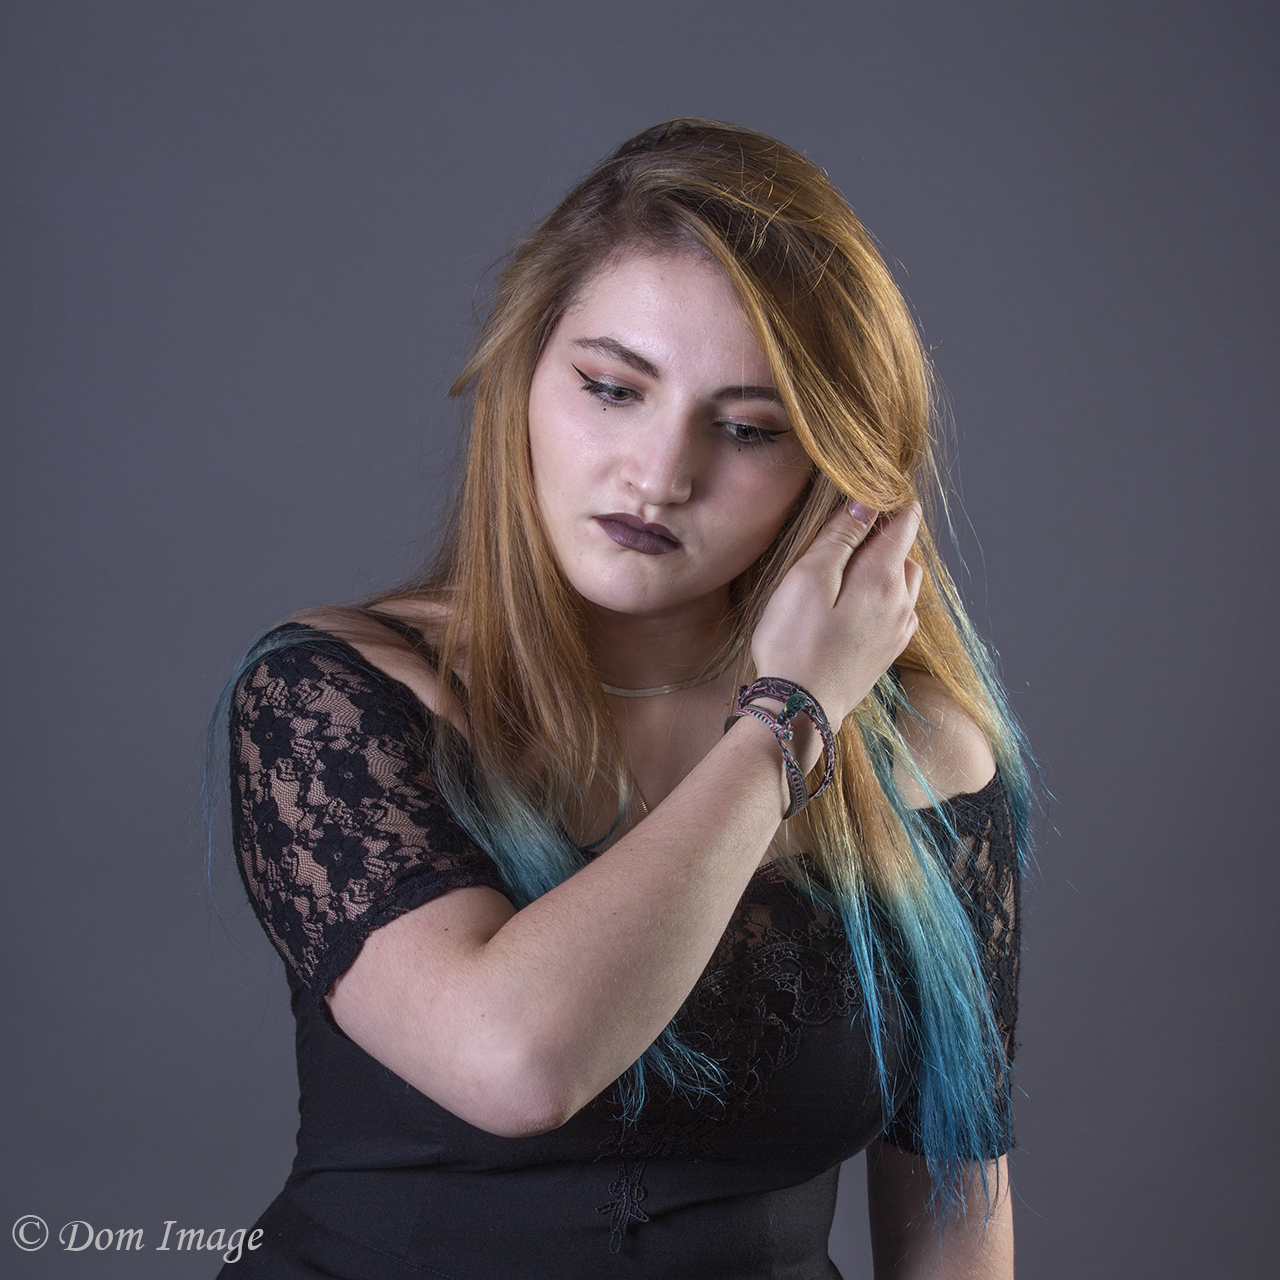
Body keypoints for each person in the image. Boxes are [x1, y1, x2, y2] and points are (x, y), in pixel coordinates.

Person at [218, 119, 1029, 1279]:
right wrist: (787, 714)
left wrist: (814, 710)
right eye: (610, 388)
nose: (658, 474)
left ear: (836, 473)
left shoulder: (921, 760)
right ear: (521, 375)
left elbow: (953, 1210)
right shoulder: (332, 699)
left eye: (746, 428)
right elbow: (517, 1061)